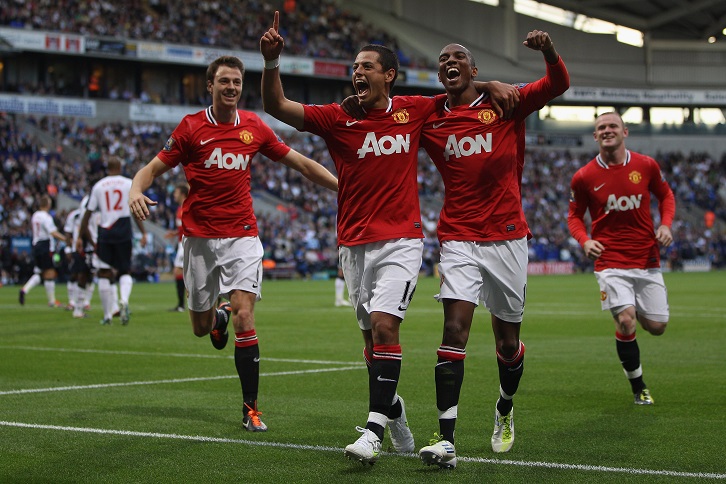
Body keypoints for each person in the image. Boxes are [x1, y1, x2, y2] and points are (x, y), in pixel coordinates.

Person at [260, 11, 518, 465]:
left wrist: (492, 85)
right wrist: (271, 64)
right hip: (353, 244)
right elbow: (278, 108)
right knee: (370, 343)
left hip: (401, 240)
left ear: (389, 76)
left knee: (385, 327)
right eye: (354, 67)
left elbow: (462, 94)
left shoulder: (416, 109)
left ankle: (373, 431)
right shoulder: (338, 117)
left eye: (366, 66)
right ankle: (394, 412)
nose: (357, 72)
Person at [128, 55, 338, 433]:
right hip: (199, 240)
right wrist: (134, 189)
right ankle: (216, 319)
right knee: (199, 326)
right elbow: (151, 169)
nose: (231, 88)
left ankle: (250, 409)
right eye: (224, 81)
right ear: (210, 86)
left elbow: (301, 163)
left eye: (237, 82)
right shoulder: (191, 128)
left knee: (246, 314)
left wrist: (345, 187)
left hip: (242, 234)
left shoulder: (254, 126)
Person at [414, 33, 570, 468]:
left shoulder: (505, 103)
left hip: (506, 238)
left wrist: (548, 51)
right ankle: (445, 439)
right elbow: (390, 108)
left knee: (507, 343)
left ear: (473, 70)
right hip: (458, 237)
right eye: (443, 58)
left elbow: (557, 85)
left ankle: (504, 406)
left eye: (459, 57)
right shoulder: (430, 119)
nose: (450, 61)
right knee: (454, 330)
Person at [567, 111, 675, 406]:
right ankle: (639, 387)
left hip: (646, 259)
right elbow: (574, 216)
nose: (607, 131)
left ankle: (631, 305)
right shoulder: (585, 176)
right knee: (626, 321)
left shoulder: (646, 165)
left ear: (624, 131)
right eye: (601, 127)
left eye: (612, 126)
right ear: (595, 136)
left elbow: (666, 196)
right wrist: (585, 240)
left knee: (657, 327)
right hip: (609, 261)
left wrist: (666, 224)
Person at [80, 156, 147, 325]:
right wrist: (143, 232)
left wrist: (89, 239)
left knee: (104, 272)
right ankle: (123, 300)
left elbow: (87, 216)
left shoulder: (98, 186)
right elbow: (135, 209)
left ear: (107, 168)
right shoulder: (128, 183)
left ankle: (107, 315)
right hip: (123, 229)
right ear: (120, 166)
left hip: (105, 232)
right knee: (125, 271)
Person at [19, 194, 68, 307]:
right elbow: (53, 232)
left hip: (36, 245)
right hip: (45, 245)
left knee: (39, 272)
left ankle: (24, 290)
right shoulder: (46, 217)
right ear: (48, 204)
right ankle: (52, 301)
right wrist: (66, 239)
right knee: (50, 272)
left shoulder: (35, 215)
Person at [63, 195, 95, 318]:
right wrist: (67, 249)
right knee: (77, 274)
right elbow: (68, 232)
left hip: (89, 248)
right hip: (81, 248)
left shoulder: (96, 214)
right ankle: (74, 304)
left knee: (89, 276)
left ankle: (83, 304)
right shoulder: (75, 216)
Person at [165, 184, 189, 312]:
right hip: (181, 242)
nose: (174, 195)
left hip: (186, 242)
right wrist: (175, 233)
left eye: (176, 192)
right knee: (182, 272)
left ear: (183, 194)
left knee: (179, 271)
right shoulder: (179, 209)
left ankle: (181, 305)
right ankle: (182, 304)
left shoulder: (187, 208)